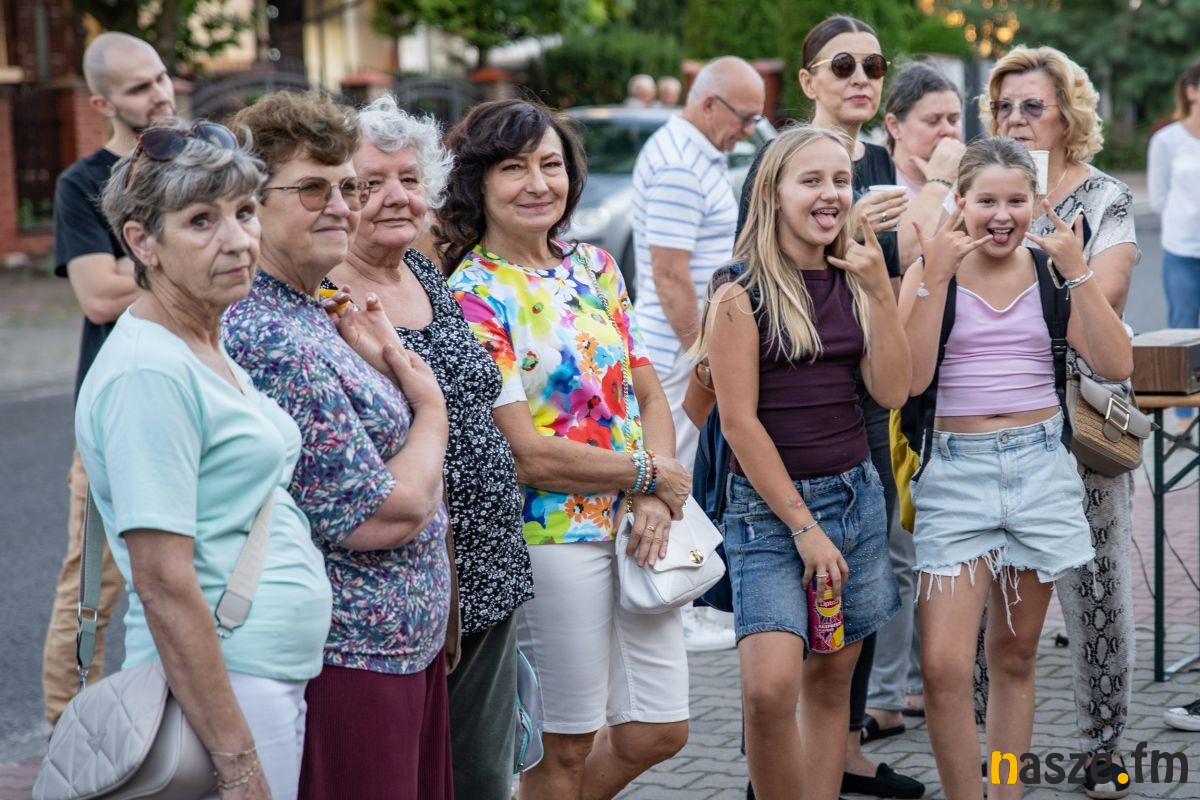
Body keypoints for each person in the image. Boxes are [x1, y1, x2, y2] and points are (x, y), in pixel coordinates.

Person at [441, 99, 691, 800]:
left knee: (659, 729)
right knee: (565, 746)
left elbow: (649, 395)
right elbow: (525, 452)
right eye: (513, 168)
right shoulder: (471, 294)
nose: (537, 183)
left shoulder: (596, 267)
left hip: (635, 525)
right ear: (477, 182)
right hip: (551, 536)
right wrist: (647, 473)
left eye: (550, 165)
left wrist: (652, 494)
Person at [77, 117, 333, 798]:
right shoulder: (149, 372)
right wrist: (238, 762)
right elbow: (163, 583)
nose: (239, 239)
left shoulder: (201, 341)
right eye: (201, 221)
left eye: (245, 212)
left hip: (261, 673)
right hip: (229, 685)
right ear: (143, 242)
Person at [221, 91, 454, 800]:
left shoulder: (315, 309)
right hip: (350, 657)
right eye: (312, 189)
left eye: (346, 187)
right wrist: (429, 404)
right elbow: (379, 515)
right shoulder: (268, 334)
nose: (341, 207)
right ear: (250, 205)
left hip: (399, 647)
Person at [898, 137, 1132, 800]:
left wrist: (1078, 271)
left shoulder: (1052, 272)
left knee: (1015, 656)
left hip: (1039, 470)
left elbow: (1115, 363)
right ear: (960, 202)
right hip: (956, 473)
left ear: (1036, 202)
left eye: (1016, 200)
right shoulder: (932, 271)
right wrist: (932, 276)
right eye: (986, 201)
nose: (1001, 215)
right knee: (943, 668)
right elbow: (908, 381)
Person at [323, 93, 534, 800]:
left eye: (409, 180)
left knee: (485, 778)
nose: (396, 197)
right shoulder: (329, 298)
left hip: (489, 571)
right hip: (411, 587)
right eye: (369, 183)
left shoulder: (421, 274)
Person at [694, 124, 909, 800]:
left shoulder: (855, 277)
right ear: (773, 194)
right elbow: (738, 422)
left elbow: (892, 391)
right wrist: (804, 529)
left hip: (855, 501)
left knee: (830, 682)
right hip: (768, 514)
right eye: (811, 180)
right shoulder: (738, 290)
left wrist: (880, 292)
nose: (831, 194)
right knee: (768, 690)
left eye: (840, 180)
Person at [980, 46, 1141, 798]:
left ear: (1067, 114)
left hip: (1079, 423)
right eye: (1004, 107)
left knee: (1096, 587)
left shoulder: (1105, 198)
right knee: (991, 600)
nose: (1015, 119)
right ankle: (990, 753)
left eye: (1031, 106)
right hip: (990, 419)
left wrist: (1049, 255)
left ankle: (1102, 748)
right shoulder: (979, 191)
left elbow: (1102, 312)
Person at [43, 31, 175, 725]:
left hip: (201, 395)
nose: (159, 94)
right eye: (138, 87)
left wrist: (141, 265)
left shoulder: (204, 164)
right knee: (94, 583)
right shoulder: (82, 185)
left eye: (160, 77)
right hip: (115, 408)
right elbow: (97, 296)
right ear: (102, 104)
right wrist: (188, 256)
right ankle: (70, 730)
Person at [631, 55, 765, 652]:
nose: (749, 130)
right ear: (710, 104)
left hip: (678, 352)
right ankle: (675, 602)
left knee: (681, 472)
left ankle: (680, 599)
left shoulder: (690, 153)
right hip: (674, 356)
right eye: (745, 117)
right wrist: (701, 357)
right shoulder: (680, 165)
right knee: (675, 475)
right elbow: (669, 275)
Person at [864, 60, 966, 737]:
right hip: (892, 381)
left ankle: (936, 681)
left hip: (954, 381)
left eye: (956, 119)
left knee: (940, 538)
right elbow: (899, 258)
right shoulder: (880, 189)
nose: (948, 132)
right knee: (897, 539)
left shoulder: (965, 187)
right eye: (933, 120)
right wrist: (939, 184)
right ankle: (886, 692)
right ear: (895, 125)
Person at [1148, 61, 1200, 429]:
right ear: (1191, 91)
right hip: (1182, 250)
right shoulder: (1167, 140)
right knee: (1182, 329)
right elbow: (1158, 198)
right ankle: (1183, 416)